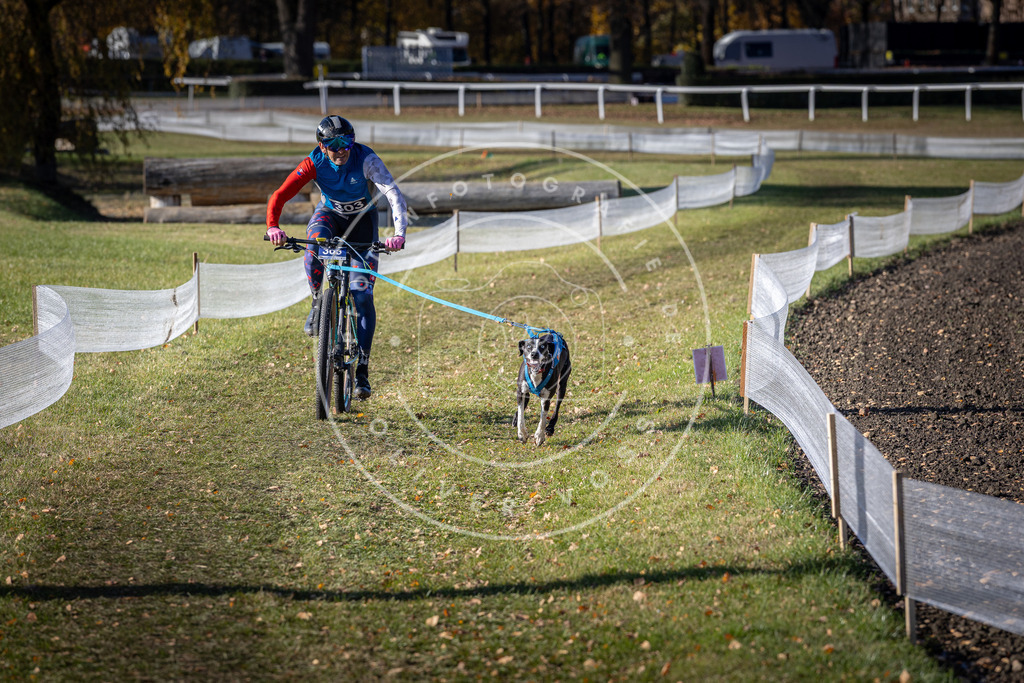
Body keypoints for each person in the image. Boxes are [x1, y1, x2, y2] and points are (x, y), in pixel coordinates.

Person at [265, 115, 408, 401]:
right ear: (322, 146)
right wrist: (273, 226)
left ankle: (363, 370)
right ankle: (319, 303)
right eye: (334, 144)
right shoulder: (313, 162)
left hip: (363, 222)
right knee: (312, 249)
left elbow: (393, 193)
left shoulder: (366, 159)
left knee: (362, 293)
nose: (342, 150)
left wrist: (399, 233)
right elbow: (281, 195)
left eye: (347, 142)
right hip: (329, 215)